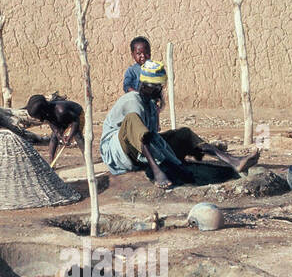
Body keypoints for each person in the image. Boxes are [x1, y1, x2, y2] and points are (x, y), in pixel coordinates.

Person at [100, 60, 258, 190]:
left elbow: (153, 136)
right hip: (117, 152)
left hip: (138, 150)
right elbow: (141, 134)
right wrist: (159, 167)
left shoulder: (150, 104)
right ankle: (156, 171)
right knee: (132, 121)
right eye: (158, 87)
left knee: (184, 134)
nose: (161, 90)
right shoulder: (132, 100)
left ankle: (232, 161)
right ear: (147, 86)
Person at [24, 93, 85, 167]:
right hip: (61, 118)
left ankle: (87, 158)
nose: (38, 119)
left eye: (37, 116)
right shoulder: (47, 113)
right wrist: (59, 134)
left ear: (42, 112)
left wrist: (69, 137)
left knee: (77, 135)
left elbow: (75, 121)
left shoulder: (61, 110)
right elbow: (52, 123)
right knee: (54, 137)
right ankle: (51, 163)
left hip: (76, 115)